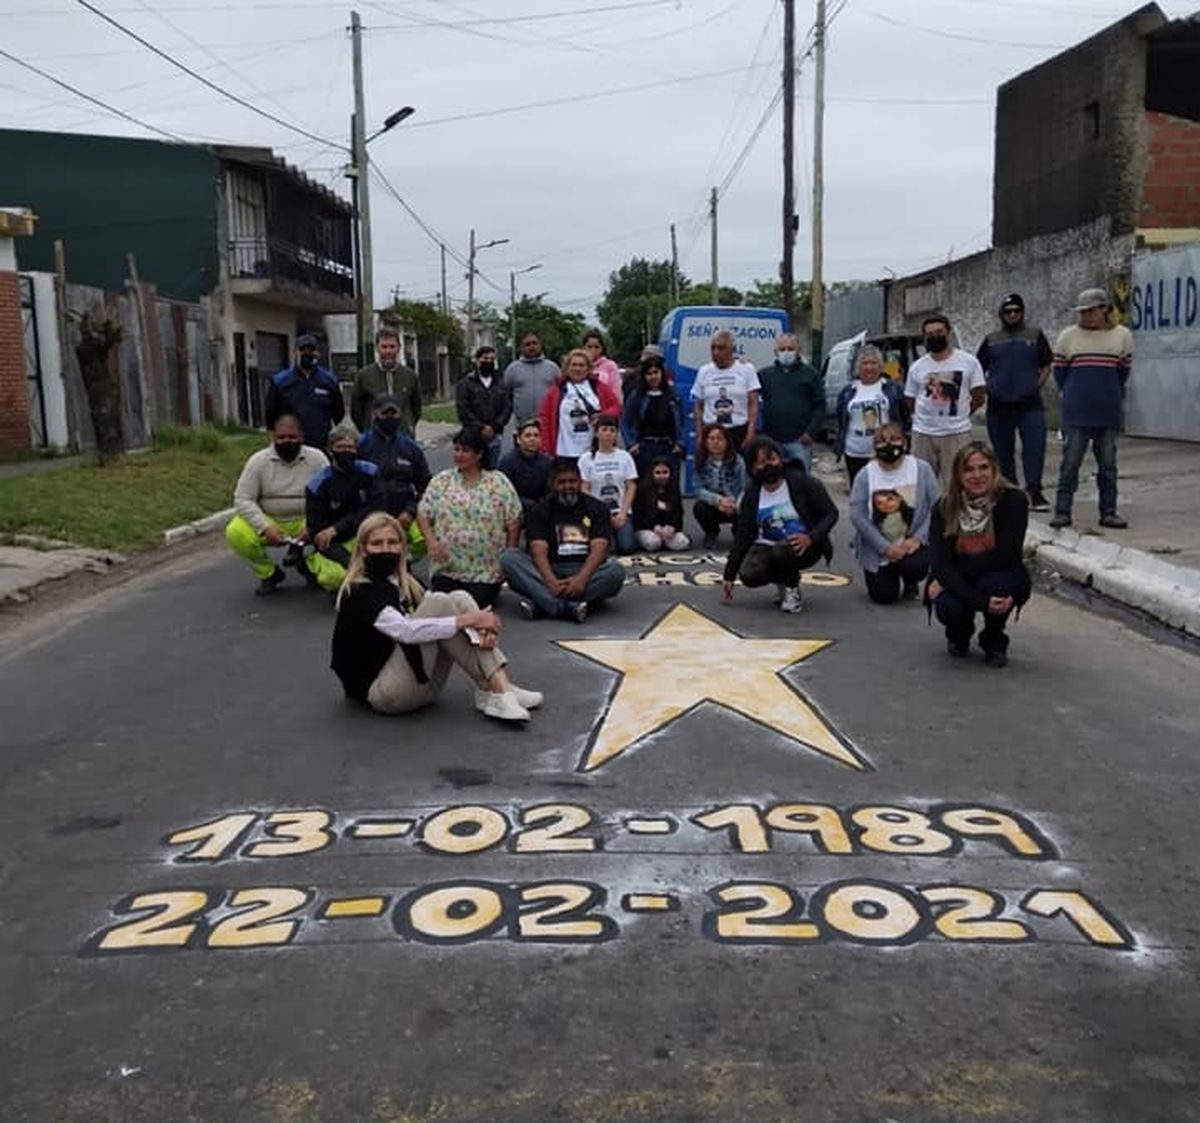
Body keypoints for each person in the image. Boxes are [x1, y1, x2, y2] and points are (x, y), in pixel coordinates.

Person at [331, 512, 541, 722]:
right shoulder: (358, 590)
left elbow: (445, 612)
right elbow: (406, 631)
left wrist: (484, 629)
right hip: (384, 693)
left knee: (459, 598)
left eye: (392, 542)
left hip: (421, 685)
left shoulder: (405, 582)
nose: (385, 549)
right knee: (442, 602)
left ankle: (496, 686)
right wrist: (471, 621)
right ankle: (499, 689)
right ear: (363, 550)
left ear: (402, 547)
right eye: (377, 543)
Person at [928, 441, 1031, 668]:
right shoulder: (944, 508)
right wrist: (976, 598)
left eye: (983, 468)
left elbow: (1005, 554)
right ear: (958, 475)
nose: (977, 475)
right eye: (968, 469)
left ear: (994, 469)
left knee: (999, 585)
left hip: (996, 572)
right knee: (949, 606)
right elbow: (940, 562)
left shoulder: (1013, 501)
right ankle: (959, 634)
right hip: (960, 577)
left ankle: (994, 639)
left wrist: (950, 579)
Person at [499, 458, 626, 622]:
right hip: (550, 570)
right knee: (509, 558)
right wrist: (551, 581)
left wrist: (581, 579)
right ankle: (565, 606)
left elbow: (599, 549)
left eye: (572, 481)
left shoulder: (597, 508)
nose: (568, 486)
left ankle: (542, 602)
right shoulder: (539, 510)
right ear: (553, 484)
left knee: (616, 571)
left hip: (586, 570)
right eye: (562, 482)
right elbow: (538, 551)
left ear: (580, 481)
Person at [722, 437, 839, 614]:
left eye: (773, 459)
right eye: (762, 462)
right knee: (749, 575)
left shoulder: (803, 482)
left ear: (781, 459)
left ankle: (792, 589)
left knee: (782, 551)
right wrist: (729, 575)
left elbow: (831, 513)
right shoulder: (752, 496)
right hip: (767, 544)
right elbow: (743, 535)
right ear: (753, 468)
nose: (769, 465)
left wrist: (811, 538)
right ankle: (782, 580)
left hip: (804, 545)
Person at [1049, 288, 1133, 530]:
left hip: (1107, 413)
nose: (1085, 316)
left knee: (1108, 466)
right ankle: (1062, 512)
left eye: (1090, 311)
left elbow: (1123, 371)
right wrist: (1074, 394)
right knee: (1070, 464)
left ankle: (1109, 512)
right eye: (1082, 312)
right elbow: (1060, 372)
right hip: (1076, 413)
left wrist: (1109, 394)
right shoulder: (1068, 336)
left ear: (1105, 309)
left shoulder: (1122, 336)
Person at [417, 426, 522, 609]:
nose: (459, 454)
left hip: (484, 571)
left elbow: (514, 520)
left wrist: (508, 556)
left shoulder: (498, 482)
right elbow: (423, 513)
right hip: (447, 568)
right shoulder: (442, 481)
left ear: (479, 454)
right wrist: (431, 542)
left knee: (471, 604)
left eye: (465, 450)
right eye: (456, 449)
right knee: (443, 603)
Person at [226, 413, 328, 595]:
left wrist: (313, 524)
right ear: (272, 437)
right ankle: (269, 573)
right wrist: (265, 527)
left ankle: (311, 566)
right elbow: (243, 499)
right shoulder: (257, 461)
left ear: (302, 437)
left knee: (331, 533)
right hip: (272, 521)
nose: (286, 441)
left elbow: (330, 494)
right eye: (281, 437)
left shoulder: (318, 459)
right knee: (235, 532)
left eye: (292, 437)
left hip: (307, 519)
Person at [976, 293, 1053, 512]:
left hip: (1029, 404)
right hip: (999, 404)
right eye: (1008, 311)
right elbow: (977, 367)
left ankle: (1035, 492)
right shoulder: (992, 339)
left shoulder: (1035, 335)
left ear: (1022, 312)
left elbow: (1047, 364)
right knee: (1002, 452)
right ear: (1002, 314)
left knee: (1034, 448)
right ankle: (1009, 491)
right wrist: (988, 388)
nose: (1012, 315)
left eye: (1016, 311)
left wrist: (1035, 385)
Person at [849, 422, 939, 604]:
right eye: (882, 441)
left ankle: (910, 581)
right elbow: (858, 515)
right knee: (883, 596)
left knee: (915, 566)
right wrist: (885, 548)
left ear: (905, 444)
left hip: (911, 544)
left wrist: (918, 539)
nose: (889, 445)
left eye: (894, 439)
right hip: (879, 548)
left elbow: (937, 508)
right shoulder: (865, 475)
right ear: (874, 447)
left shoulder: (922, 469)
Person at [904, 315, 987, 487]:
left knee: (957, 485)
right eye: (930, 334)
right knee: (918, 486)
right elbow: (910, 399)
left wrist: (962, 413)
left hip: (957, 434)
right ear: (924, 338)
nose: (935, 336)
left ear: (948, 333)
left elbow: (979, 396)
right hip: (923, 435)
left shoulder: (969, 362)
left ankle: (954, 515)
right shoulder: (917, 367)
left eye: (939, 332)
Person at [305, 422, 384, 592]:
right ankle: (311, 564)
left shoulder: (371, 472)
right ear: (329, 449)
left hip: (364, 535)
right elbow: (317, 533)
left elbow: (378, 508)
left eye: (351, 447)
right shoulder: (317, 485)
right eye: (341, 447)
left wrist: (337, 527)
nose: (346, 452)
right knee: (333, 579)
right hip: (334, 544)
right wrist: (350, 562)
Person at [356, 393, 430, 562]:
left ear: (400, 414)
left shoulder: (411, 448)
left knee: (427, 537)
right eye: (385, 413)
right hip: (370, 514)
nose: (390, 417)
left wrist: (410, 512)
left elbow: (426, 487)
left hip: (404, 512)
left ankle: (401, 562)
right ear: (374, 414)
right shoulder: (361, 445)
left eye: (393, 413)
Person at [834, 344, 908, 486]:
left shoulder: (893, 389)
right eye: (865, 363)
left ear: (881, 366)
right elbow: (840, 419)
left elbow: (904, 415)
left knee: (888, 492)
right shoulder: (847, 392)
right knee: (860, 491)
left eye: (873, 363)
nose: (869, 367)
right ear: (858, 367)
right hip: (855, 453)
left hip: (887, 450)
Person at [757, 333, 825, 473]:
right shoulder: (764, 375)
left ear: (798, 350)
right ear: (776, 352)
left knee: (801, 482)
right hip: (772, 441)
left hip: (799, 441)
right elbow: (752, 401)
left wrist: (811, 432)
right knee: (772, 479)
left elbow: (820, 405)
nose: (786, 352)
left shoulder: (810, 374)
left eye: (790, 348)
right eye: (782, 349)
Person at [264, 333, 345, 450]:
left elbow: (338, 413)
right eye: (302, 350)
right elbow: (271, 416)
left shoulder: (329, 381)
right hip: (290, 444)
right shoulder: (280, 382)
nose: (307, 354)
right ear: (296, 352)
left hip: (321, 444)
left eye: (310, 350)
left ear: (317, 353)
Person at [537, 348, 621, 460]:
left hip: (593, 450)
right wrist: (546, 448)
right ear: (567, 368)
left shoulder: (598, 387)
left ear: (588, 368)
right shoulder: (555, 390)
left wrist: (603, 416)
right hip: (564, 451)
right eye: (574, 365)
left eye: (581, 365)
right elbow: (545, 419)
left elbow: (616, 406)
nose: (577, 369)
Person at [577, 414, 638, 554]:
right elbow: (584, 488)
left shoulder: (625, 457)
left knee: (626, 547)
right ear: (597, 433)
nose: (608, 434)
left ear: (616, 434)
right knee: (597, 549)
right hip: (595, 513)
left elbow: (631, 486)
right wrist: (603, 515)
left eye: (612, 430)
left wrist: (623, 512)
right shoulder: (586, 459)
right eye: (604, 430)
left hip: (620, 512)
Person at [691, 330, 760, 451]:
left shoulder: (747, 369)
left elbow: (753, 403)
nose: (716, 352)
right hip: (712, 433)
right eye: (713, 348)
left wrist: (750, 433)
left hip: (738, 432)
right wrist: (700, 436)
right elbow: (698, 407)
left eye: (721, 348)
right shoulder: (704, 371)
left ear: (732, 349)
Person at [622, 351, 685, 475]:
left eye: (656, 372)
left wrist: (680, 444)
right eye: (649, 373)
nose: (653, 377)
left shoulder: (674, 395)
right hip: (645, 448)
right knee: (645, 487)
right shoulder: (637, 396)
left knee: (669, 489)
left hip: (669, 448)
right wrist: (632, 445)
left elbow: (684, 421)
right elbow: (625, 422)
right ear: (644, 376)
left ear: (662, 373)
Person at [350, 327, 421, 436]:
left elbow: (416, 408)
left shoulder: (410, 376)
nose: (388, 351)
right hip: (374, 437)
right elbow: (356, 410)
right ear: (377, 348)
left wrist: (408, 425)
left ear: (399, 348)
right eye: (384, 347)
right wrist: (366, 428)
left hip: (403, 436)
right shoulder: (364, 375)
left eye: (392, 347)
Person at [455, 344, 512, 468]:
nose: (489, 362)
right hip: (472, 436)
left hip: (494, 437)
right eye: (485, 359)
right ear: (477, 360)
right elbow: (463, 409)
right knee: (471, 469)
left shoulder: (501, 383)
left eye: (492, 359)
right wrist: (481, 428)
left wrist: (495, 426)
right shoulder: (465, 383)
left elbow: (507, 407)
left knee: (491, 471)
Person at [692, 423, 747, 549]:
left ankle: (739, 532)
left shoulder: (739, 461)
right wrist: (719, 501)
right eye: (711, 439)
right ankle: (711, 532)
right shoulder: (700, 461)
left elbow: (745, 488)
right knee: (699, 507)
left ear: (727, 442)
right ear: (705, 442)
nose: (716, 442)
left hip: (735, 503)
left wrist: (735, 504)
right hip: (715, 504)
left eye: (720, 439)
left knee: (748, 505)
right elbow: (698, 490)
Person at [504, 331, 561, 430]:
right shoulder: (512, 369)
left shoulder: (553, 368)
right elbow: (506, 395)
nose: (531, 346)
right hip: (521, 424)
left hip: (548, 422)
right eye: (527, 344)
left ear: (540, 345)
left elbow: (560, 393)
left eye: (534, 343)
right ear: (521, 347)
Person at [498, 417, 553, 519]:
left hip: (542, 509)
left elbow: (550, 491)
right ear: (519, 439)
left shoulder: (548, 462)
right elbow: (505, 493)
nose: (532, 439)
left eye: (536, 436)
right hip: (515, 509)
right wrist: (529, 505)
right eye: (528, 436)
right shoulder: (507, 462)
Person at [633, 457, 690, 552]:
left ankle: (665, 542)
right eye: (658, 472)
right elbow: (638, 517)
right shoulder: (642, 489)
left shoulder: (674, 489)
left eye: (665, 472)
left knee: (683, 543)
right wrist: (654, 527)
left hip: (668, 530)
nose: (662, 476)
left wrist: (673, 527)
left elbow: (679, 513)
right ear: (652, 473)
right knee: (653, 544)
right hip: (647, 528)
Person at [582, 328, 624, 406]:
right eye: (589, 347)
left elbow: (616, 392)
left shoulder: (610, 366)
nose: (593, 350)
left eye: (596, 347)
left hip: (605, 407)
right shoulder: (579, 365)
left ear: (602, 348)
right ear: (584, 347)